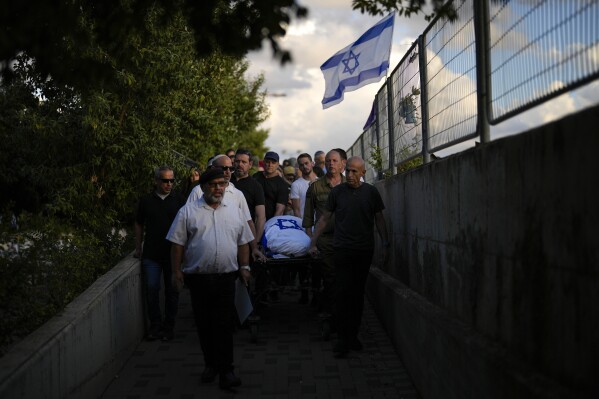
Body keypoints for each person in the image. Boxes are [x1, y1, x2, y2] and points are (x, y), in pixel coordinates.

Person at [167, 168, 254, 390]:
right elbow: (177, 244)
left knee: (224, 325)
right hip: (199, 279)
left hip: (226, 277)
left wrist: (244, 266)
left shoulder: (234, 211)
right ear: (203, 187)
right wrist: (176, 272)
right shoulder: (188, 212)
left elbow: (243, 241)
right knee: (204, 324)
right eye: (213, 184)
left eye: (222, 184)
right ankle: (211, 364)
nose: (218, 189)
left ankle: (227, 370)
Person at [308, 156, 389, 358]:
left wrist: (386, 243)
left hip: (363, 250)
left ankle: (353, 335)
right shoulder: (338, 192)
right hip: (342, 249)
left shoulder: (371, 193)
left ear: (363, 173)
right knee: (342, 292)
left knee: (357, 294)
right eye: (349, 171)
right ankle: (343, 338)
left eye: (355, 172)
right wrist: (313, 241)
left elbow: (379, 218)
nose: (350, 175)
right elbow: (325, 217)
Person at [134, 165, 186, 341]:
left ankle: (169, 327)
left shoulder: (179, 199)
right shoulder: (146, 201)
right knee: (152, 289)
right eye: (165, 180)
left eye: (172, 180)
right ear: (156, 181)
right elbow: (139, 223)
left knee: (173, 291)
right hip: (151, 254)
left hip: (173, 255)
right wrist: (138, 247)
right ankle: (155, 326)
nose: (169, 184)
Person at [188, 154, 265, 262]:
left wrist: (254, 248)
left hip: (229, 259)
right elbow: (186, 224)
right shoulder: (198, 191)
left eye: (231, 168)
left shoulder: (237, 194)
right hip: (200, 260)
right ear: (213, 168)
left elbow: (248, 222)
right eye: (224, 168)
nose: (228, 172)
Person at [302, 149, 345, 313]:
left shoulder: (350, 185)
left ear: (343, 164)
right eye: (328, 161)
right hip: (325, 240)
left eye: (334, 161)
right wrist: (311, 242)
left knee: (345, 278)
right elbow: (307, 217)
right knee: (329, 277)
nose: (331, 164)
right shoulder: (315, 187)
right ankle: (332, 315)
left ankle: (341, 312)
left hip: (346, 239)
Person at [230, 149, 267, 261]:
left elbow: (260, 217)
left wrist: (256, 242)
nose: (239, 164)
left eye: (243, 162)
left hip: (245, 237)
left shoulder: (256, 186)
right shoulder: (225, 182)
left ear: (250, 164)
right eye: (237, 161)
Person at [253, 151, 289, 221]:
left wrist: (271, 225)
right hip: (252, 219)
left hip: (270, 222)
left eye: (273, 163)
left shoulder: (282, 184)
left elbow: (279, 210)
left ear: (278, 164)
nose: (270, 165)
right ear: (264, 162)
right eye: (268, 162)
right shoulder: (256, 176)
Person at [290, 153, 318, 219]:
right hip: (304, 224)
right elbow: (296, 210)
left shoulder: (321, 181)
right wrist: (301, 227)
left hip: (321, 224)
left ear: (312, 163)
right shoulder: (296, 185)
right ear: (299, 167)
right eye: (302, 165)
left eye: (306, 163)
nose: (305, 166)